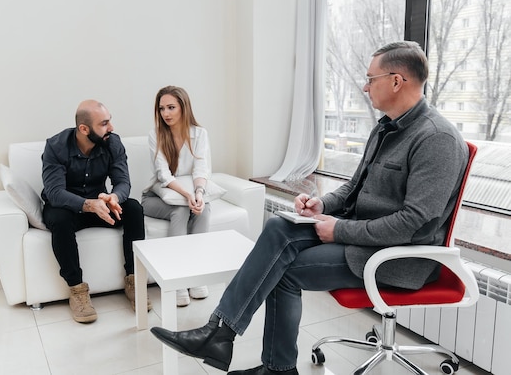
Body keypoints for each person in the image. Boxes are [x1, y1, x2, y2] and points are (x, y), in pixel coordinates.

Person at [150, 41, 469, 374]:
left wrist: (339, 229)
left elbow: (412, 224)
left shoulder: (436, 139)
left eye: (370, 78)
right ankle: (221, 333)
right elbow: (354, 187)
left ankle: (265, 362)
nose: (365, 85)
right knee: (278, 227)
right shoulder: (385, 128)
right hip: (360, 237)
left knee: (282, 270)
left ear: (396, 81)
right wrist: (322, 204)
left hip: (395, 256)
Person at [41, 100, 151, 324]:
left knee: (132, 208)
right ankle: (77, 290)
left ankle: (134, 281)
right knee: (58, 218)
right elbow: (54, 192)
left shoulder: (113, 143)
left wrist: (114, 197)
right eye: (104, 123)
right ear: (84, 129)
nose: (111, 127)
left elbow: (123, 182)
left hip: (99, 206)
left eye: (109, 120)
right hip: (68, 208)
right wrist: (88, 204)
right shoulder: (56, 146)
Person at [142, 85, 212, 307]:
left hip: (189, 193)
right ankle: (178, 281)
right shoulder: (156, 135)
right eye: (162, 109)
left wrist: (199, 194)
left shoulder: (200, 134)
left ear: (184, 107)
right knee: (181, 209)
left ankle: (197, 275)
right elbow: (163, 175)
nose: (166, 113)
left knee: (204, 208)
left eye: (171, 107)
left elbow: (201, 170)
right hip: (155, 198)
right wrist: (187, 195)